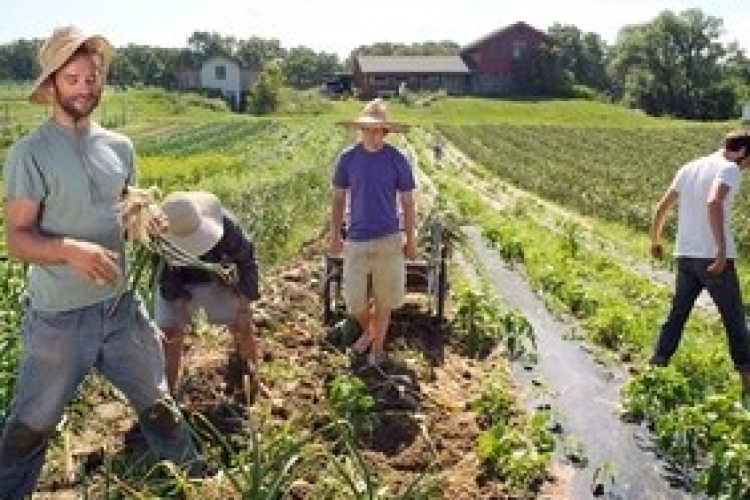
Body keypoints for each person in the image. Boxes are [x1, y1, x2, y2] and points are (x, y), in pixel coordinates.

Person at [0, 26, 204, 497]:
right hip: (58, 320)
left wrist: (147, 223)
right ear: (51, 85)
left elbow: (129, 213)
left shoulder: (120, 148)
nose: (85, 89)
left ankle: (198, 485)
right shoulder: (29, 154)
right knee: (29, 428)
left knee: (159, 406)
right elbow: (18, 239)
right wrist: (70, 250)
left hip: (120, 310)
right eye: (73, 80)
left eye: (92, 79)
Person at [649, 129, 750, 405]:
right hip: (713, 258)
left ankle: (656, 365)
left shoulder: (690, 167)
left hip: (685, 255)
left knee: (677, 314)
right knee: (735, 321)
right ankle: (747, 384)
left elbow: (662, 206)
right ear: (742, 152)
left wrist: (655, 240)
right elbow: (714, 201)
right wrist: (720, 251)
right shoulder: (730, 169)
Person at [329, 98, 418, 366]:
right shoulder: (348, 158)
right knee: (355, 300)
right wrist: (335, 235)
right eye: (367, 128)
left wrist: (410, 238)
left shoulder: (397, 160)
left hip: (388, 238)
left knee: (385, 297)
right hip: (356, 238)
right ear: (361, 129)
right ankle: (369, 332)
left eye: (377, 129)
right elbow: (338, 199)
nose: (372, 133)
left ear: (385, 132)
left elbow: (408, 202)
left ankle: (377, 348)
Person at [154, 191, 264, 403]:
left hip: (219, 279)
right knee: (169, 335)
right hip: (181, 284)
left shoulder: (227, 227)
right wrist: (179, 307)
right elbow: (166, 279)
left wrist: (243, 307)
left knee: (243, 328)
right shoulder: (159, 237)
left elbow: (248, 264)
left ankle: (251, 384)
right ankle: (167, 400)